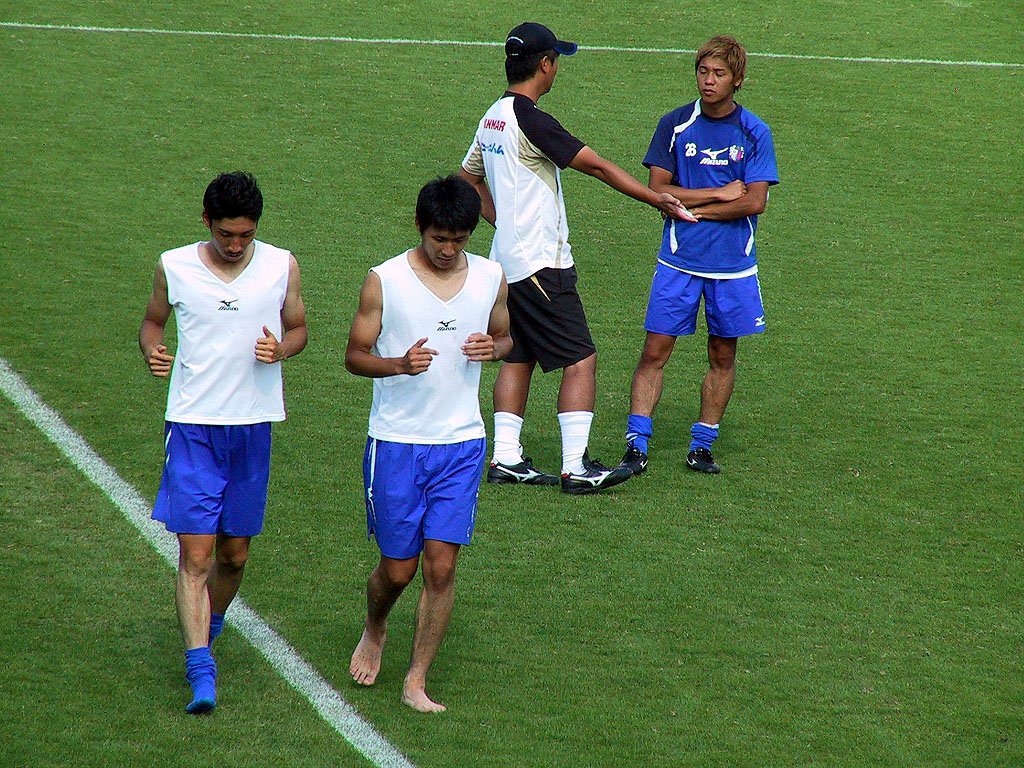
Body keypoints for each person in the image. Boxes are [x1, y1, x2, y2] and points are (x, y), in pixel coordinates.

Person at [459, 21, 698, 495]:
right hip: (542, 265)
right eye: (556, 61)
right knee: (581, 359)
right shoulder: (532, 120)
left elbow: (469, 178)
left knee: (519, 355)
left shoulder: (492, 116)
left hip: (506, 262)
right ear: (545, 64)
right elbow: (598, 167)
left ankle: (506, 458)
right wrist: (656, 199)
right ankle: (575, 467)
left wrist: (503, 224)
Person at [139, 171, 308, 713]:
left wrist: (282, 350)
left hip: (252, 428)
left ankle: (208, 627)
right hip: (192, 426)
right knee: (196, 554)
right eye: (226, 234)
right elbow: (152, 322)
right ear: (206, 222)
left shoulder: (281, 265)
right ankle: (200, 670)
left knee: (233, 557)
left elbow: (299, 329)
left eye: (246, 235)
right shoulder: (174, 266)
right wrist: (152, 350)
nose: (236, 245)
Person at [346, 175, 511, 713]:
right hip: (397, 443)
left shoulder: (491, 277)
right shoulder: (385, 280)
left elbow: (506, 336)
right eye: (440, 238)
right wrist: (398, 364)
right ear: (421, 227)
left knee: (441, 567)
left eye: (459, 240)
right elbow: (354, 355)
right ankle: (376, 626)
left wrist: (494, 348)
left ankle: (416, 680)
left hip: (461, 444)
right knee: (398, 569)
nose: (448, 250)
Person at [618, 35, 779, 476]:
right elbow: (657, 190)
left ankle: (702, 445)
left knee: (722, 355)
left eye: (719, 74)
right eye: (703, 72)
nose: (709, 81)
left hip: (733, 267)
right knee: (655, 351)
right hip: (678, 261)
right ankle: (636, 443)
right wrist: (718, 193)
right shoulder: (674, 124)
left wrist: (694, 208)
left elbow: (754, 202)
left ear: (737, 79)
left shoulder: (755, 132)